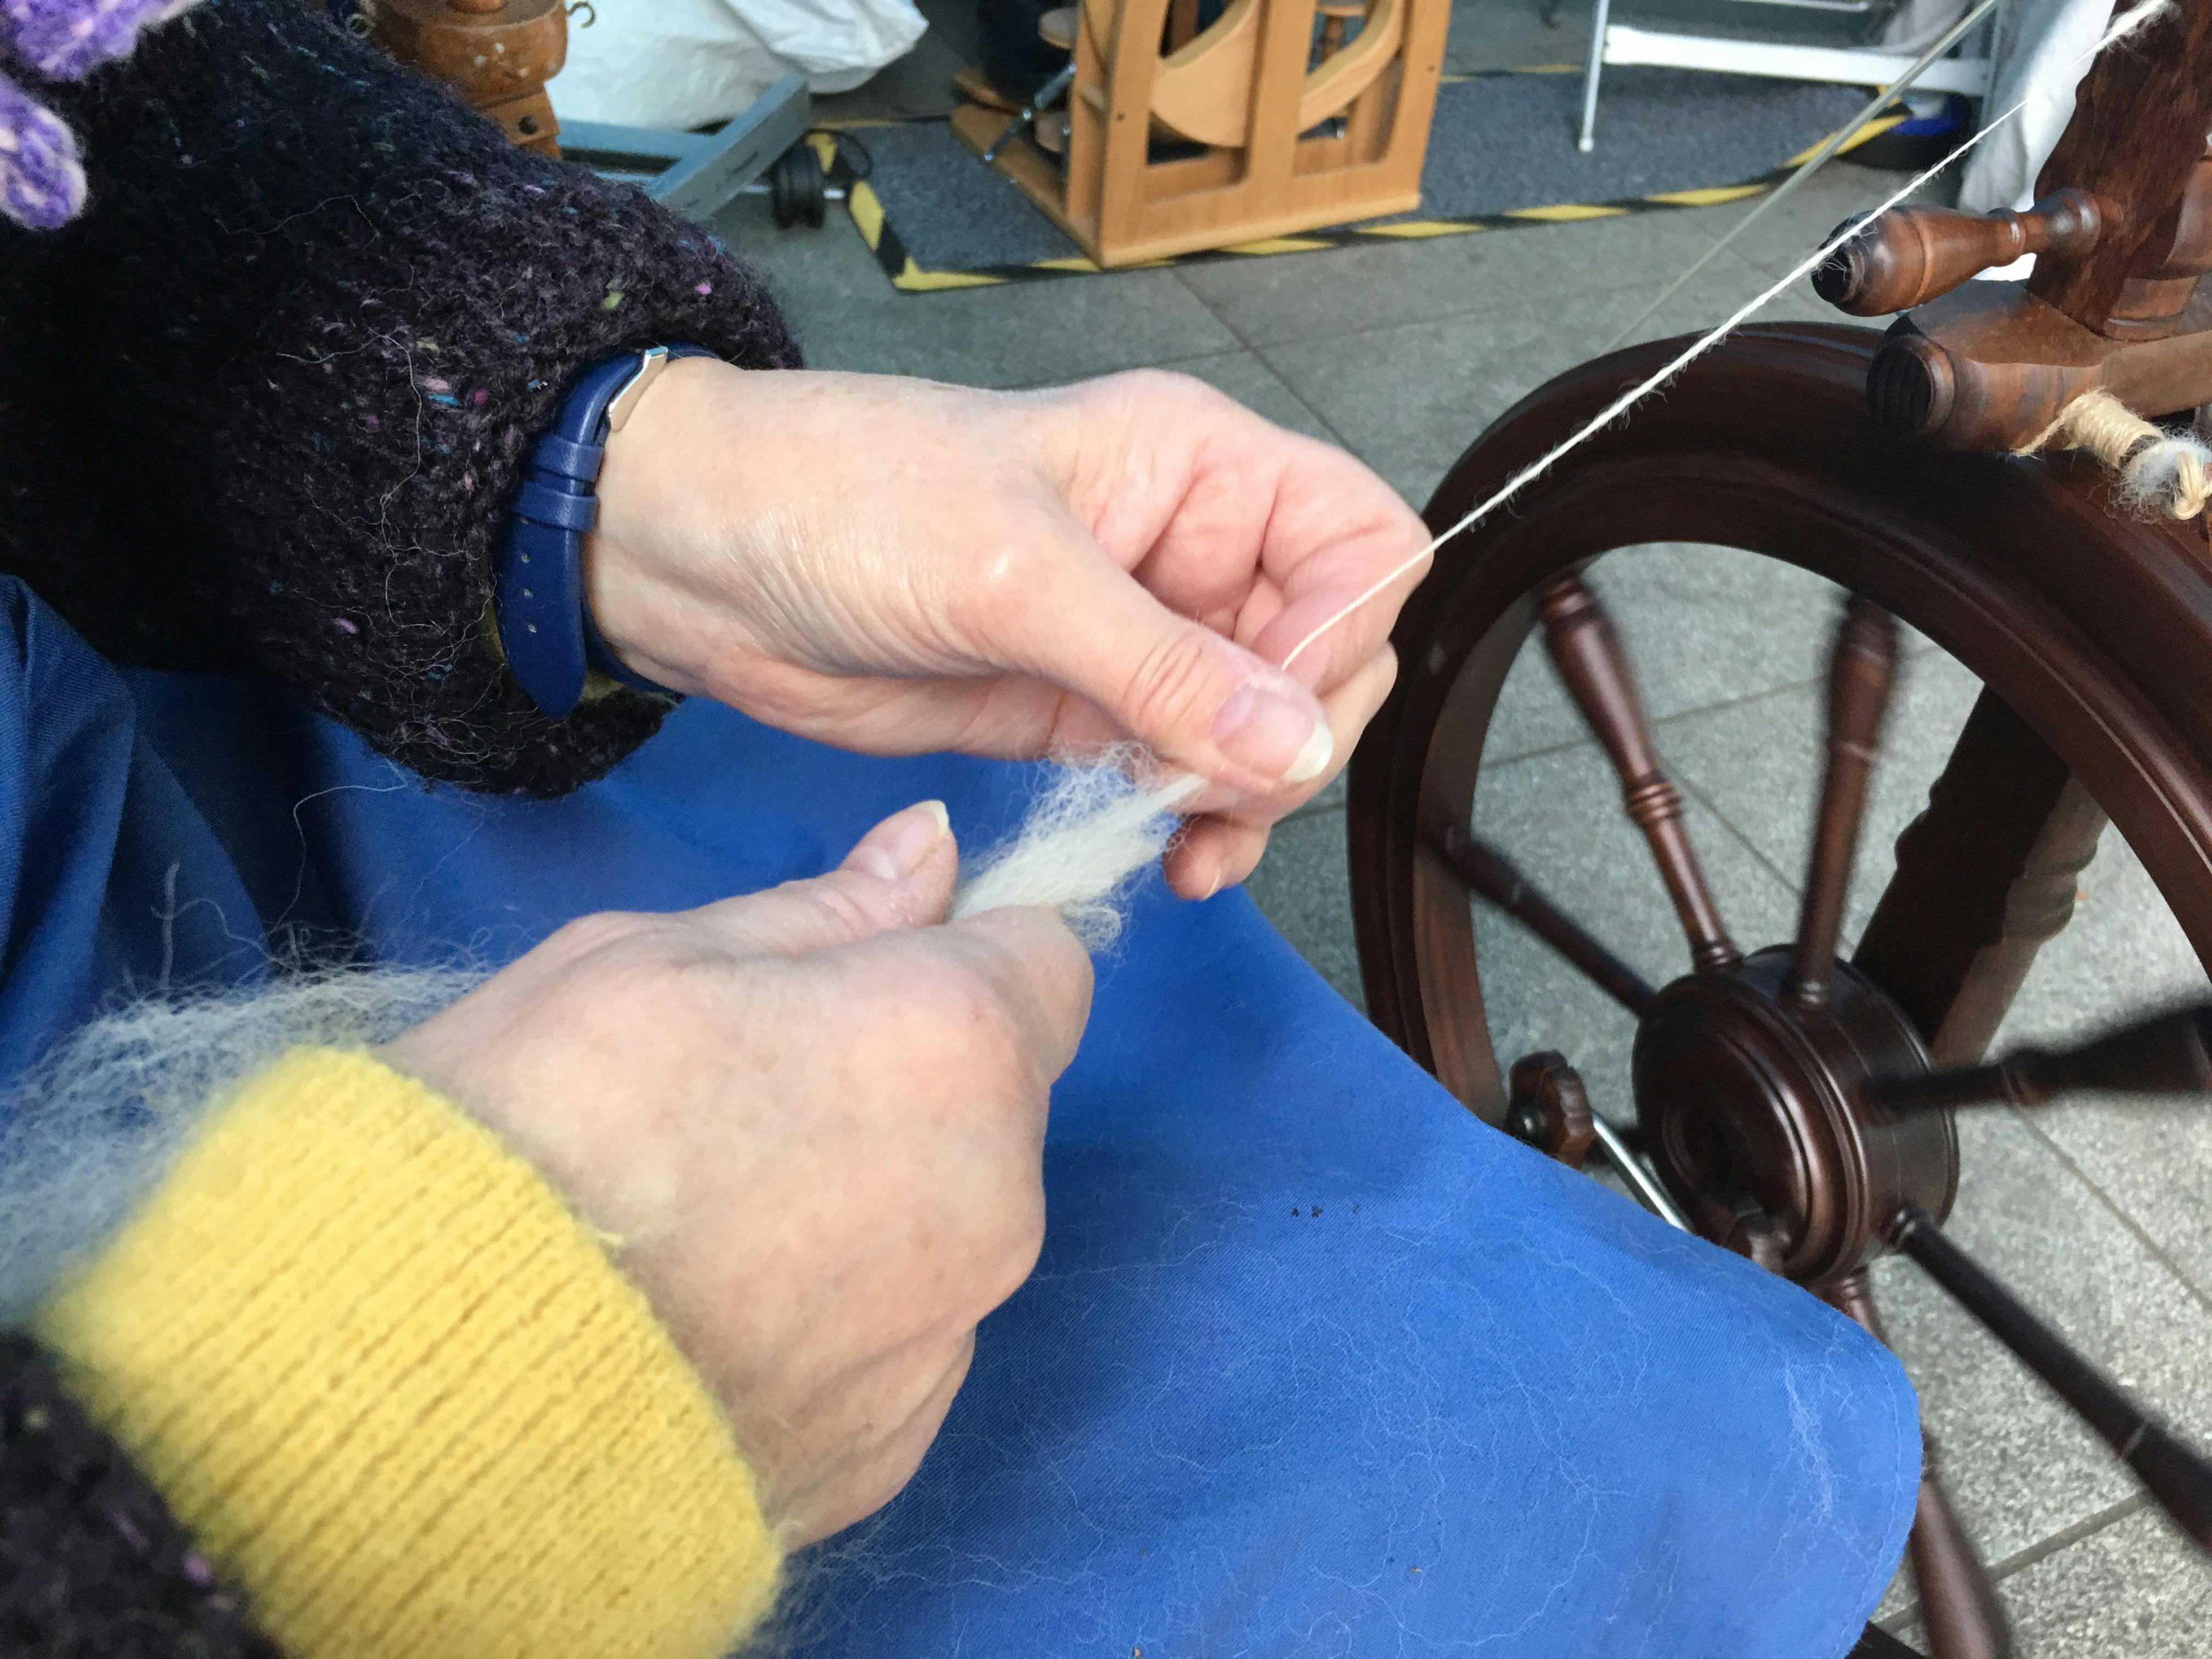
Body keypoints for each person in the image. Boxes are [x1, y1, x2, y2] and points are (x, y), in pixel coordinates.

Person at [0, 3, 1921, 1656]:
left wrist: (601, 464)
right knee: (1464, 1427)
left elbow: (80, 129)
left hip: (116, 723)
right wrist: (394, 1444)